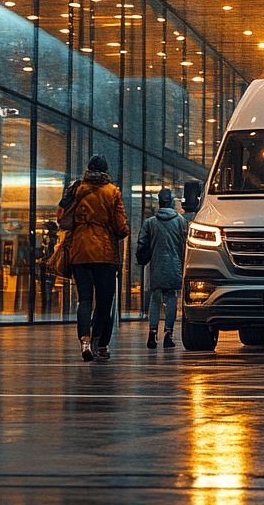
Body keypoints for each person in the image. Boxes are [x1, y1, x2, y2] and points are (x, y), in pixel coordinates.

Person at [59, 154, 129, 362]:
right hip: (104, 254)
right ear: (106, 171)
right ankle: (99, 341)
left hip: (80, 252)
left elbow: (62, 218)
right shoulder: (112, 192)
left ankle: (85, 341)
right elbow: (121, 226)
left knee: (85, 299)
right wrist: (122, 230)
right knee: (104, 301)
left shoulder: (77, 188)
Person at [136, 188, 187, 350]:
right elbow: (185, 244)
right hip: (175, 264)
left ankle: (152, 334)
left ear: (159, 202)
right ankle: (168, 334)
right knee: (171, 297)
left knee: (155, 298)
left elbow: (142, 245)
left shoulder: (150, 222)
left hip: (156, 265)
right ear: (171, 202)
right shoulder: (180, 221)